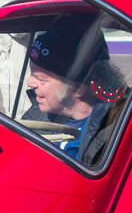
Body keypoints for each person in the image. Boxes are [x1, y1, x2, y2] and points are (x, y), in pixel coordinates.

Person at [21, 19, 126, 164]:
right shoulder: (35, 118)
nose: (30, 83)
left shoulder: (120, 132)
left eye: (41, 78)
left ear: (79, 88)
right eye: (32, 73)